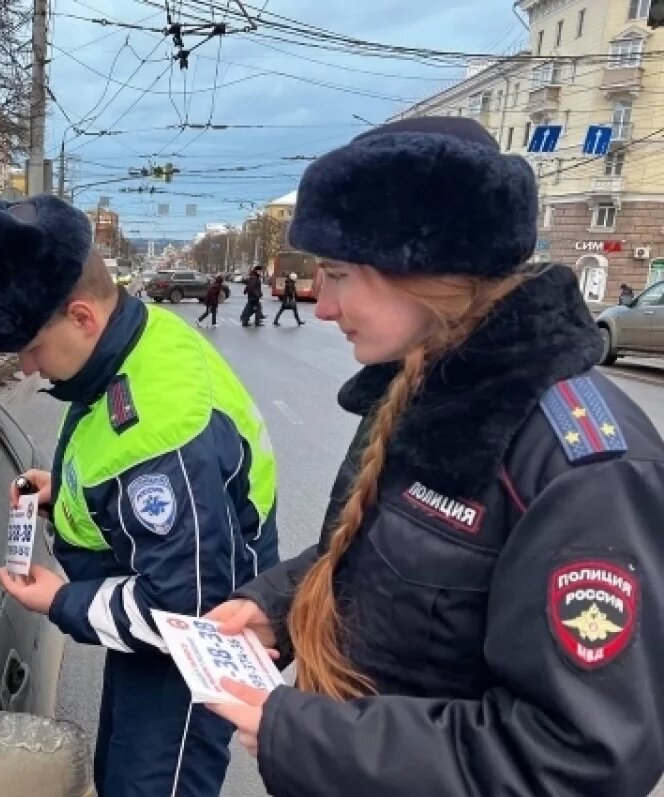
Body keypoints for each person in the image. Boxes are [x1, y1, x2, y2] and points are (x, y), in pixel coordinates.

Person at [203, 117, 664, 796]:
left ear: (425, 272)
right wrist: (277, 601)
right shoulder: (424, 387)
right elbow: (394, 559)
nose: (322, 306)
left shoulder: (582, 464)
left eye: (337, 274)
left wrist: (313, 735)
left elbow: (577, 756)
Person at [0, 194, 280, 797]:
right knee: (116, 776)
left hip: (188, 659)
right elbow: (117, 467)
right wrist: (64, 496)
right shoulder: (130, 346)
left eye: (31, 347)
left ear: (81, 317)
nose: (26, 369)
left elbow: (187, 616)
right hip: (149, 632)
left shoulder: (166, 432)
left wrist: (61, 601)